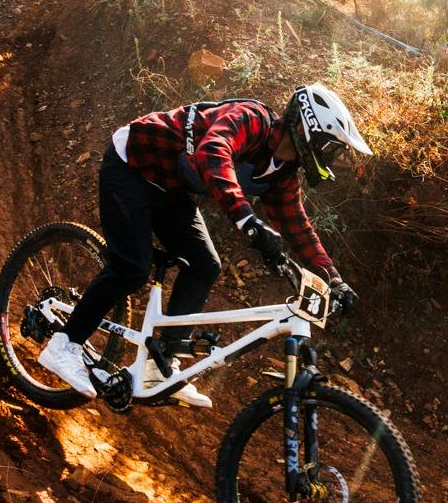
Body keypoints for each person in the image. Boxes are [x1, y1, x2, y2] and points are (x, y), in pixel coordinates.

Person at [36, 83, 369, 405]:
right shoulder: (252, 119)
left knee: (204, 265)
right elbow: (213, 152)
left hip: (171, 189)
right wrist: (248, 221)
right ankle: (65, 344)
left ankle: (159, 365)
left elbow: (298, 226)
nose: (334, 157)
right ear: (309, 129)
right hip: (132, 166)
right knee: (132, 268)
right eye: (332, 147)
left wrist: (334, 278)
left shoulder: (282, 173)